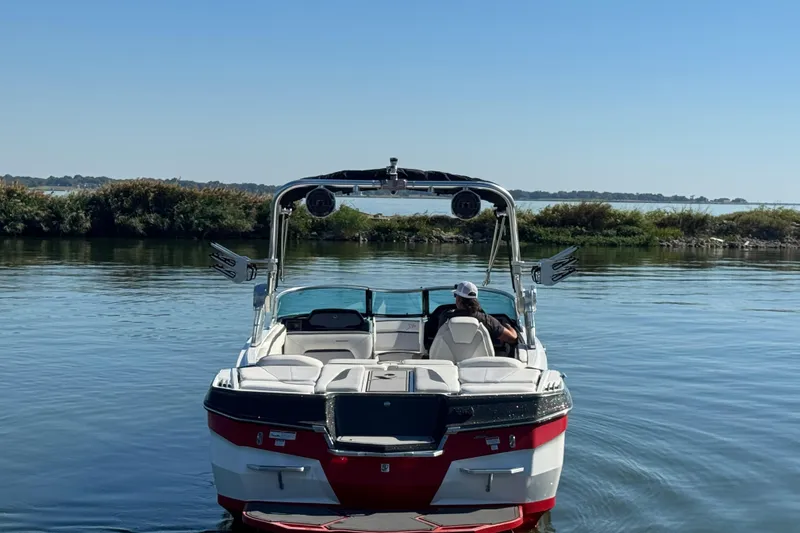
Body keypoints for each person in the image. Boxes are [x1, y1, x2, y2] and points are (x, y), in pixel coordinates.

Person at [437, 281, 518, 345]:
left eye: (455, 295)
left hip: (448, 359)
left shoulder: (445, 316)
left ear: (459, 299)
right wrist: (509, 326)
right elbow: (512, 338)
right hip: (479, 361)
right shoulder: (487, 320)